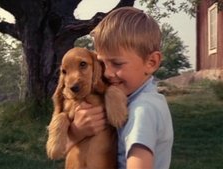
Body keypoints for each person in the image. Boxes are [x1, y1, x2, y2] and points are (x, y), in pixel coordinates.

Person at [65, 7, 173, 169]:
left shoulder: (142, 110)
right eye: (102, 63)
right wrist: (77, 131)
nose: (107, 73)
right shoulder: (139, 100)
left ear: (151, 63)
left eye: (117, 64)